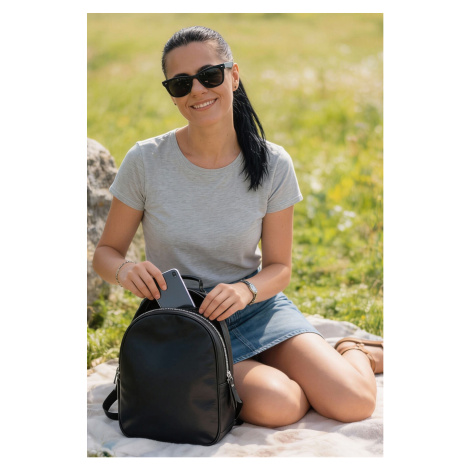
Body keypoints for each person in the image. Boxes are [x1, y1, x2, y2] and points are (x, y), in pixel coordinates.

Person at [93, 25, 383, 428]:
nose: (197, 90)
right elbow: (106, 255)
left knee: (354, 403)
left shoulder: (273, 163)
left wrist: (245, 291)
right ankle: (282, 372)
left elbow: (280, 268)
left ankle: (356, 350)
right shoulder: (145, 161)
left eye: (209, 75)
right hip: (187, 321)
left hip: (257, 307)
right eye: (181, 83)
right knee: (280, 406)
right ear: (172, 94)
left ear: (233, 75)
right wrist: (125, 271)